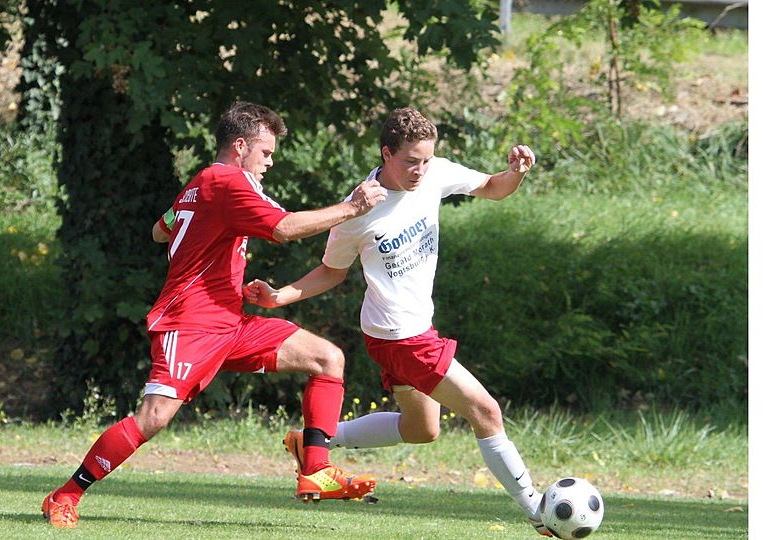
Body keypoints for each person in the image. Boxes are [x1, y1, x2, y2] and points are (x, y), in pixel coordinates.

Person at [41, 101, 388, 528]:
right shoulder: (227, 182)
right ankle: (65, 495)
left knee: (327, 358)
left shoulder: (203, 183)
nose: (271, 162)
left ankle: (315, 470)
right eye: (266, 152)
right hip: (189, 324)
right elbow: (283, 229)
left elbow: (159, 229)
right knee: (153, 419)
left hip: (230, 322)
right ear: (240, 146)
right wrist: (352, 207)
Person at [243, 107, 551, 536]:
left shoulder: (436, 173)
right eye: (410, 161)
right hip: (399, 338)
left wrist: (516, 171)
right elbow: (332, 271)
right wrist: (282, 295)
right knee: (486, 411)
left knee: (421, 429)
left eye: (426, 160)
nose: (420, 170)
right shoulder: (361, 207)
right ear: (386, 153)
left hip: (414, 330)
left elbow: (495, 188)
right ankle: (538, 511)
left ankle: (314, 439)